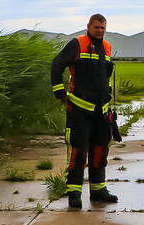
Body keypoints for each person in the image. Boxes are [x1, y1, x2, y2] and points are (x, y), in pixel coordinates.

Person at [50, 13, 119, 209]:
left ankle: (98, 191)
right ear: (88, 26)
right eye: (97, 27)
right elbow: (56, 65)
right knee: (78, 152)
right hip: (79, 109)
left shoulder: (106, 47)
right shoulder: (77, 44)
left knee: (100, 151)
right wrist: (59, 91)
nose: (100, 31)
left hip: (101, 111)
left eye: (103, 28)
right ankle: (74, 193)